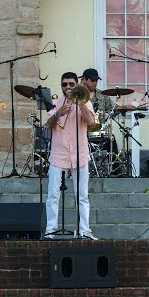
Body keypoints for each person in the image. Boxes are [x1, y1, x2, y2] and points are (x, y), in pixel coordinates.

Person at [43, 72, 98, 240]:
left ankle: (84, 231)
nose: (67, 87)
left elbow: (91, 122)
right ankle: (51, 230)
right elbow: (48, 125)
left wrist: (80, 102)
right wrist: (59, 112)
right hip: (58, 154)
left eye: (71, 84)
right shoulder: (54, 103)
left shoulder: (85, 100)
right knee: (53, 195)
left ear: (76, 85)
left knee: (82, 195)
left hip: (79, 154)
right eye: (64, 84)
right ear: (61, 86)